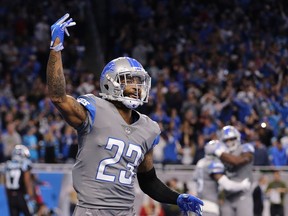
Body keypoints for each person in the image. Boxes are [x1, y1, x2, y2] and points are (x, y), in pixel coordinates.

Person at [46, 13, 203, 216]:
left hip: (126, 212)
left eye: (139, 82)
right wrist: (56, 48)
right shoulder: (94, 110)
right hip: (92, 211)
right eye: (130, 81)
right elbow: (58, 97)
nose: (137, 87)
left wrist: (176, 198)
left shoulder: (148, 128)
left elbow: (148, 181)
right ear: (111, 82)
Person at [195, 140, 251, 216]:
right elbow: (227, 185)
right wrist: (242, 185)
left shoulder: (200, 162)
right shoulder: (214, 163)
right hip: (209, 206)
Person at [214, 125, 255, 216]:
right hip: (227, 197)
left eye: (232, 139)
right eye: (226, 140)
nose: (229, 142)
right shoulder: (220, 156)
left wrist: (220, 153)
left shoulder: (245, 148)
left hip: (243, 196)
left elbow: (237, 161)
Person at [4, 145, 36, 216]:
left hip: (11, 196)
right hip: (22, 195)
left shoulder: (8, 164)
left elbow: (5, 183)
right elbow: (27, 180)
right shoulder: (24, 163)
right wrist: (31, 195)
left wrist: (8, 196)